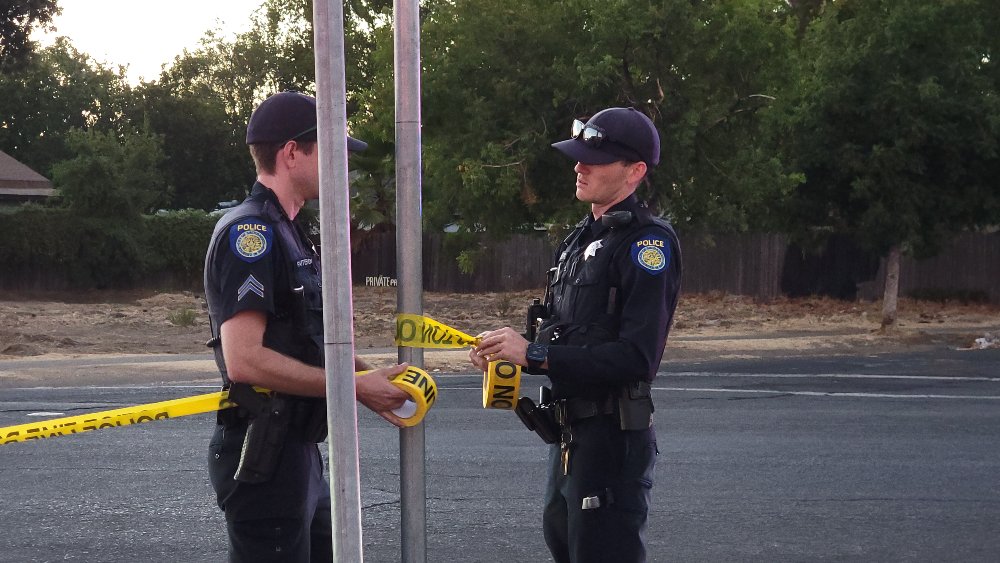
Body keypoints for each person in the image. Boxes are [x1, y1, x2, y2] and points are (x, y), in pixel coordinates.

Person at [203, 91, 410, 562]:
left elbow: (314, 340)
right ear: (292, 152)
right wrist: (355, 387)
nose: (343, 165)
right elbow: (245, 360)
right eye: (330, 149)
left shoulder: (291, 231)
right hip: (265, 451)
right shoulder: (249, 233)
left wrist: (370, 375)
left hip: (298, 448)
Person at [470, 107, 682, 563]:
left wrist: (536, 354)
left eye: (595, 159)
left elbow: (636, 357)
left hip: (610, 438)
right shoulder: (579, 240)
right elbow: (559, 332)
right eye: (579, 156)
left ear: (635, 171)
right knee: (564, 544)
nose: (579, 165)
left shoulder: (647, 245)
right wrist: (507, 351)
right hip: (569, 436)